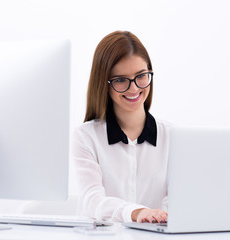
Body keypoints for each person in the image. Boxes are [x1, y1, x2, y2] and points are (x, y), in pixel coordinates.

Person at [72, 31, 171, 223]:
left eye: (141, 76)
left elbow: (179, 201)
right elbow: (92, 201)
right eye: (120, 80)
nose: (134, 88)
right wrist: (136, 212)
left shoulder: (173, 137)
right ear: (104, 83)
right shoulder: (85, 137)